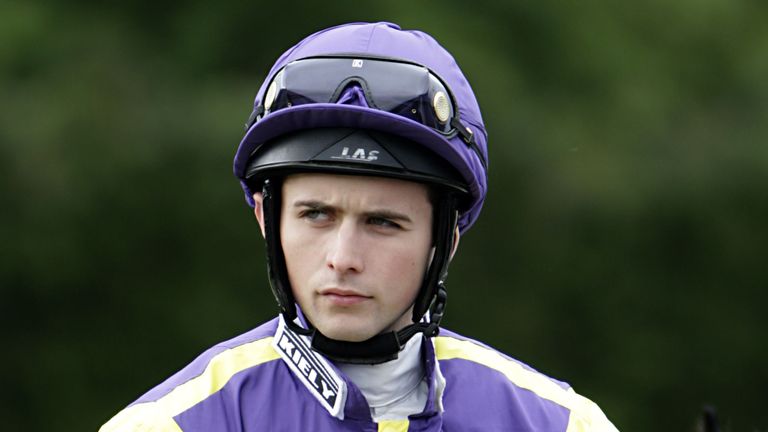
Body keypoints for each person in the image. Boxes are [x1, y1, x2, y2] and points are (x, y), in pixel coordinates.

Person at [100, 22, 618, 431]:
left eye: (383, 222)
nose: (343, 258)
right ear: (265, 219)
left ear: (446, 241)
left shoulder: (563, 424)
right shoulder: (168, 425)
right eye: (316, 215)